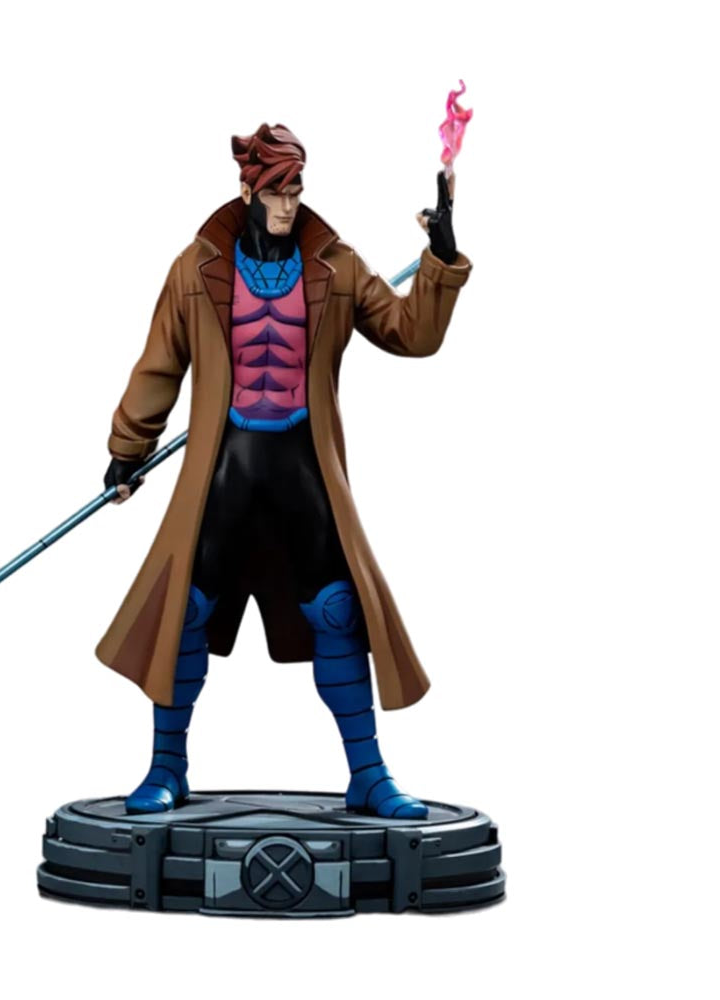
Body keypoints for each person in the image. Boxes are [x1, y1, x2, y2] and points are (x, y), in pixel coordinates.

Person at [97, 123, 471, 817]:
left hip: (303, 466)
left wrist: (440, 259)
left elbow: (411, 333)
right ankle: (167, 767)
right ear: (248, 190)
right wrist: (129, 446)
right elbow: (161, 362)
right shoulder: (197, 267)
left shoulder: (336, 265)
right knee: (186, 609)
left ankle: (368, 774)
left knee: (337, 611)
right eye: (276, 192)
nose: (287, 204)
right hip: (225, 469)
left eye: (295, 190)